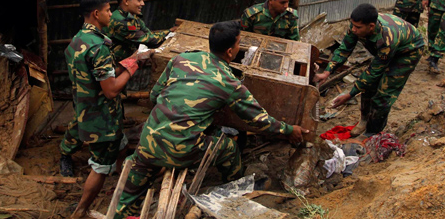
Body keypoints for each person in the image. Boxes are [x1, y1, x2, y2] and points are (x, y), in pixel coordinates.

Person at [113, 21, 309, 218]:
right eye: (239, 43)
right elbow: (259, 120)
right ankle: (233, 191)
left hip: (148, 142)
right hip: (182, 150)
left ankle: (121, 212)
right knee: (229, 148)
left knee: (129, 195)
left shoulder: (181, 59)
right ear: (231, 52)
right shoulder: (228, 81)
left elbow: (155, 97)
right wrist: (289, 130)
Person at [59, 0, 140, 219]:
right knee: (99, 166)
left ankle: (123, 182)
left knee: (121, 144)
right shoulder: (99, 47)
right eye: (107, 11)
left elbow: (91, 76)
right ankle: (82, 209)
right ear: (96, 13)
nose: (111, 15)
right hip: (103, 119)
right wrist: (133, 67)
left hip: (87, 110)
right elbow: (111, 89)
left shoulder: (78, 40)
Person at [314, 4, 424, 137]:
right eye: (352, 25)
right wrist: (327, 72)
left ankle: (372, 133)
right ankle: (364, 121)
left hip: (408, 52)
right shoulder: (356, 26)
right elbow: (344, 49)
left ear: (371, 26)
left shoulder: (386, 39)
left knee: (383, 95)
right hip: (387, 50)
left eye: (358, 27)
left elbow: (374, 72)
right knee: (368, 88)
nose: (353, 29)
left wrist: (350, 94)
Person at [107, 0, 176, 62]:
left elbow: (148, 33)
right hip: (113, 65)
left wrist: (169, 32)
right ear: (126, 1)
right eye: (139, 0)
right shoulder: (120, 20)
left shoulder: (133, 16)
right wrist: (169, 32)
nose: (143, 3)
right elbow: (147, 39)